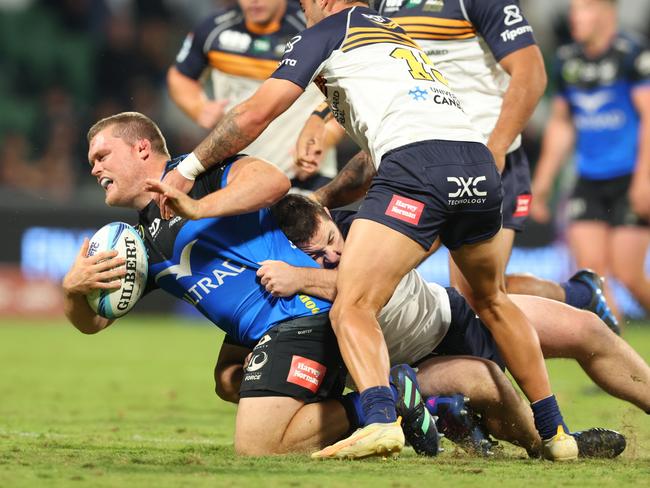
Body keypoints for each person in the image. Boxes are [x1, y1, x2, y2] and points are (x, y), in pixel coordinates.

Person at [158, 0, 579, 461]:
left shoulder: (329, 31)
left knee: (353, 305)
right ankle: (556, 432)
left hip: (418, 168)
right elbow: (373, 157)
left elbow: (255, 113)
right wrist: (323, 198)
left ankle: (380, 419)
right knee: (492, 300)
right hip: (476, 162)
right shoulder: (397, 35)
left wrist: (191, 168)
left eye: (304, 4)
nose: (303, 13)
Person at [61, 111, 437, 457]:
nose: (95, 169)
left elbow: (273, 181)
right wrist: (74, 290)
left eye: (102, 156)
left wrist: (198, 207)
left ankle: (381, 399)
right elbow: (93, 323)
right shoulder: (143, 245)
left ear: (141, 149)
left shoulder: (200, 176)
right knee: (229, 381)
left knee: (258, 446)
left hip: (301, 314)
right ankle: (391, 399)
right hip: (272, 332)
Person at [217, 194, 645, 458]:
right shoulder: (271, 284)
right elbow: (227, 373)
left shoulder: (363, 228)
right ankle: (552, 444)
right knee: (491, 383)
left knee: (586, 329)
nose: (332, 255)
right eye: (315, 256)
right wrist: (246, 376)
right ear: (287, 252)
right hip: (411, 370)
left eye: (331, 241)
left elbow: (363, 285)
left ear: (331, 216)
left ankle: (454, 419)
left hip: (450, 317)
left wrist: (304, 277)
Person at [294, 0, 619, 332]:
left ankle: (575, 303)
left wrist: (497, 147)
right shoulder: (379, 5)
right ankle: (578, 296)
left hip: (486, 159)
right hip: (420, 157)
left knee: (477, 297)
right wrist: (322, 125)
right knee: (379, 283)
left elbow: (531, 72)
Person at [531, 0, 650, 322]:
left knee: (629, 275)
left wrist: (645, 180)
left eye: (583, 10)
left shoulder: (633, 55)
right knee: (594, 278)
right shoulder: (568, 60)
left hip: (630, 176)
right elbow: (561, 124)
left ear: (606, 13)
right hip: (588, 180)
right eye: (573, 11)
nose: (574, 18)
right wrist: (541, 185)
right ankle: (622, 365)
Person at [167, 0, 337, 190]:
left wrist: (326, 136)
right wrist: (198, 108)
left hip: (304, 173)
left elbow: (345, 94)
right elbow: (180, 76)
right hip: (237, 173)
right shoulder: (213, 29)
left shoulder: (313, 27)